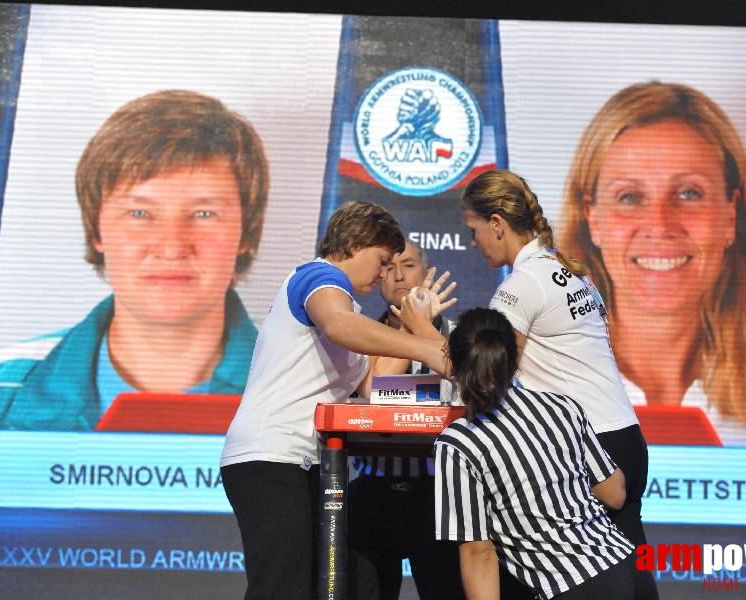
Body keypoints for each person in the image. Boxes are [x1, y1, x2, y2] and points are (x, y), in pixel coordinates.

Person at [557, 81, 746, 446]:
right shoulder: (512, 392)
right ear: (592, 218)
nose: (660, 224)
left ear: (730, 215)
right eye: (629, 196)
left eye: (689, 193)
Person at [0, 90, 268, 430]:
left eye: (204, 213)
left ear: (245, 233)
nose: (172, 246)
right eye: (140, 212)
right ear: (97, 230)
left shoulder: (310, 388)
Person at [219, 201, 450, 600]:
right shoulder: (319, 277)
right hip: (269, 458)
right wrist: (427, 349)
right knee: (283, 589)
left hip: (305, 463)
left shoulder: (349, 312)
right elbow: (338, 324)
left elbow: (378, 389)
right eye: (381, 260)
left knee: (355, 584)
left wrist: (419, 325)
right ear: (354, 243)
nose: (384, 274)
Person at [454, 168, 658, 599]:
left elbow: (488, 371)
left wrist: (422, 336)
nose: (472, 243)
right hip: (625, 437)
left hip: (593, 450)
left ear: (496, 224)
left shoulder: (522, 285)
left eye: (473, 230)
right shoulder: (567, 269)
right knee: (627, 570)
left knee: (574, 576)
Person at [434, 307, 636, 600]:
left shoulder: (459, 443)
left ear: (451, 363)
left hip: (567, 585)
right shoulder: (561, 407)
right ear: (515, 360)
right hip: (619, 568)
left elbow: (479, 553)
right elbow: (614, 492)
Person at [347, 240, 465, 600]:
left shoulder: (459, 338)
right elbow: (360, 400)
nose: (398, 276)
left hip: (437, 495)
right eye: (389, 267)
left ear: (427, 270)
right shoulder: (357, 334)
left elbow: (465, 404)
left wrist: (421, 330)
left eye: (409, 265)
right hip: (373, 491)